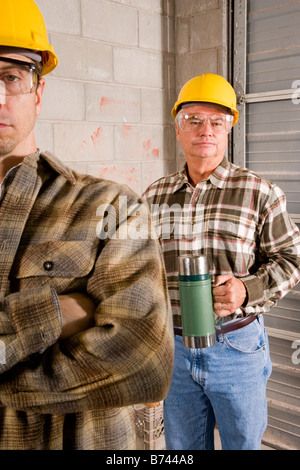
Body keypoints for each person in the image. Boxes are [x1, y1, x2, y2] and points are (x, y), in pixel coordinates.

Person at [0, 0, 173, 450]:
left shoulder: (113, 206)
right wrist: (56, 313)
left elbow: (144, 362)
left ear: (38, 92)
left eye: (10, 77)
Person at [143, 73, 300, 450]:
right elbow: (139, 266)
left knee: (242, 444)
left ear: (229, 128)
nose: (205, 131)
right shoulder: (154, 195)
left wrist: (246, 289)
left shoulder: (259, 192)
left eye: (217, 121)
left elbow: (291, 259)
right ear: (178, 128)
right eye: (194, 121)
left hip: (236, 347)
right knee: (181, 449)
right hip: (175, 350)